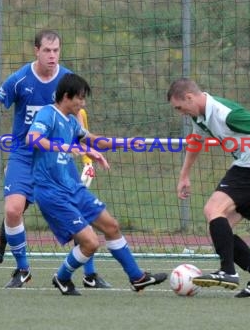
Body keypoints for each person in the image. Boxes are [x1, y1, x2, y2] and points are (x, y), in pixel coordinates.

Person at [0, 29, 110, 289]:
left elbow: (77, 119)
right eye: (47, 50)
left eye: (56, 50)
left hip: (57, 157)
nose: (52, 56)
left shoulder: (67, 80)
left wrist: (87, 148)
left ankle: (89, 275)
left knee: (81, 210)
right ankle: (23, 270)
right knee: (13, 210)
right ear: (36, 50)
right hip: (24, 156)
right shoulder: (20, 80)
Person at [27, 73, 168, 295]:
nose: (83, 104)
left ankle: (137, 278)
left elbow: (92, 139)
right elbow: (32, 138)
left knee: (111, 226)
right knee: (90, 243)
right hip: (51, 192)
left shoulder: (72, 122)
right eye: (80, 98)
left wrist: (124, 143)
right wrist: (64, 147)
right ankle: (62, 277)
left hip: (72, 188)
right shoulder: (48, 114)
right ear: (66, 96)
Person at [167, 78, 250, 298]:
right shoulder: (199, 116)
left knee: (212, 211)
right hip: (246, 166)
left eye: (179, 107)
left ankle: (228, 271)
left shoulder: (224, 113)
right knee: (222, 229)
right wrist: (184, 175)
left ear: (189, 97)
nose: (180, 112)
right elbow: (196, 141)